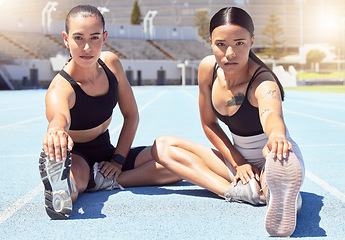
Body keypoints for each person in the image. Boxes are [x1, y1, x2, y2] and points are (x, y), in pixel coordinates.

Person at [151, 7, 305, 237]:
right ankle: (240, 192)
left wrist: (277, 138)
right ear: (210, 42)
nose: (230, 53)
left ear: (252, 41)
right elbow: (209, 124)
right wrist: (239, 162)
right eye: (221, 44)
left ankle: (279, 194)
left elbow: (271, 115)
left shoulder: (262, 82)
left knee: (275, 175)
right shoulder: (207, 69)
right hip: (235, 160)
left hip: (272, 158)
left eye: (239, 43)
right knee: (162, 146)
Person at [39, 5, 181, 220]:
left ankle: (101, 181)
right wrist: (56, 130)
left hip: (108, 152)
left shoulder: (111, 64)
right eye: (78, 38)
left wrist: (117, 161)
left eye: (94, 37)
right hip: (78, 156)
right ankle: (65, 186)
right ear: (66, 39)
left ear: (104, 38)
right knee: (75, 182)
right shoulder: (61, 88)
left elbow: (132, 115)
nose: (87, 46)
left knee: (176, 166)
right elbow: (59, 117)